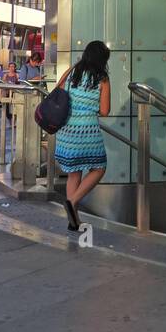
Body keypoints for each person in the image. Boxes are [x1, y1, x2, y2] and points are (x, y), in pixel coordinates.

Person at [53, 40, 110, 231]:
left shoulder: (72, 72)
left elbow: (57, 94)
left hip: (66, 131)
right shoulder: (101, 78)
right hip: (87, 132)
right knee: (99, 168)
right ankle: (73, 201)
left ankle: (73, 221)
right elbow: (104, 110)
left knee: (73, 173)